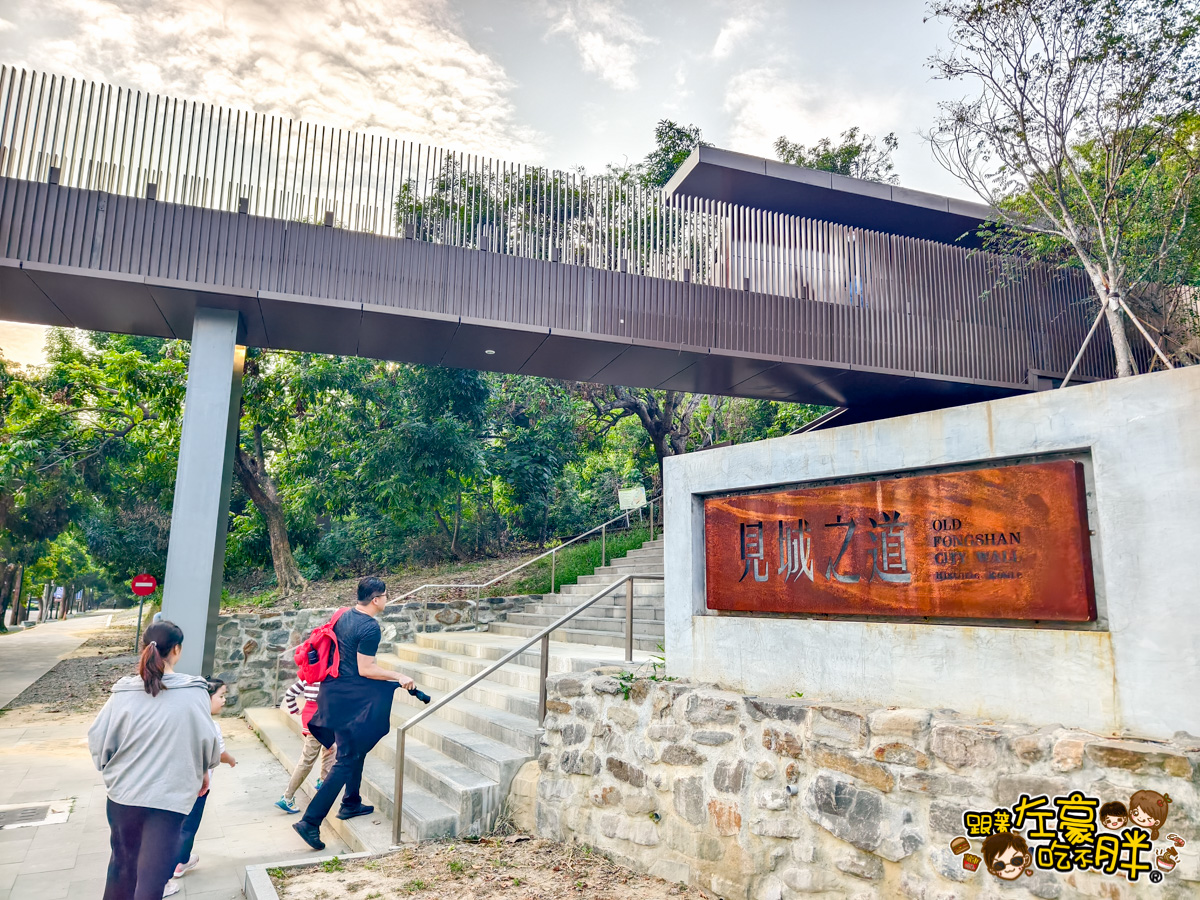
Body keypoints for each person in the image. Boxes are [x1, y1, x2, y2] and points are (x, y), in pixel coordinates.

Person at [89, 621, 221, 900]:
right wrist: (204, 770)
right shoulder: (195, 692)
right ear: (176, 649)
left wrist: (112, 769)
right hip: (170, 798)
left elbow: (99, 742)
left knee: (121, 868)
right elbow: (206, 741)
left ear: (144, 649)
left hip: (123, 796)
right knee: (152, 877)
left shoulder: (122, 692)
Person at [292, 577, 414, 850]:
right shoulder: (370, 627)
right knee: (346, 759)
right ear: (375, 599)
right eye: (385, 595)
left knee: (355, 749)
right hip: (350, 700)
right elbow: (366, 669)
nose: (386, 599)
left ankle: (351, 802)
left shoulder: (343, 615)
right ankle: (310, 822)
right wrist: (398, 675)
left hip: (333, 693)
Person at [165, 678, 237, 895]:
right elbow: (219, 755)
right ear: (205, 699)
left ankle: (174, 861)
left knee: (174, 825)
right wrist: (232, 760)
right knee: (188, 827)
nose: (224, 700)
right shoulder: (211, 725)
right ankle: (177, 865)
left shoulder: (180, 719)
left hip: (174, 783)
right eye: (221, 696)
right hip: (198, 787)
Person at [274, 676, 336, 813]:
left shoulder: (309, 675)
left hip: (312, 717)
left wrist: (295, 709)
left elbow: (290, 694)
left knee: (330, 748)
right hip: (321, 719)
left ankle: (323, 780)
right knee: (308, 759)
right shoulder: (329, 676)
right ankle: (287, 797)